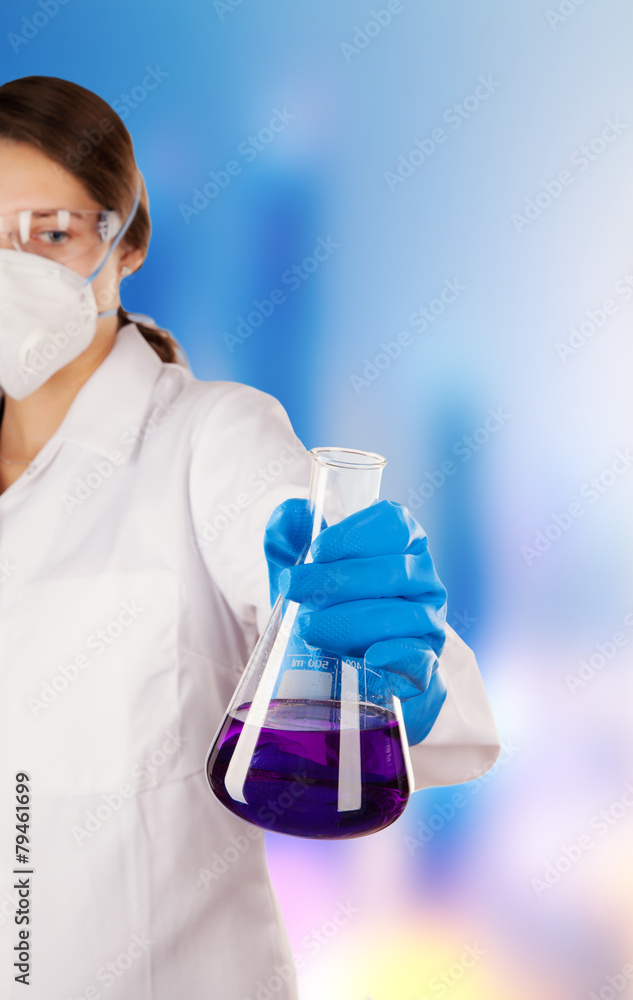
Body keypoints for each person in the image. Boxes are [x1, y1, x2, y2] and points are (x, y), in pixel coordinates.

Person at [0, 76, 500, 998]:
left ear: (129, 243)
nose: (14, 269)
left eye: (53, 234)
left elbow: (322, 591)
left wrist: (381, 655)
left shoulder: (212, 440)